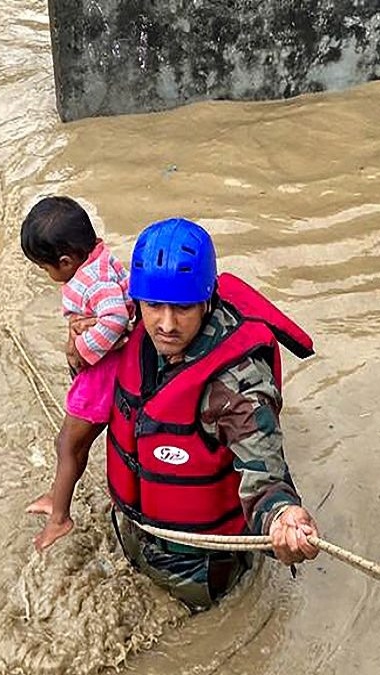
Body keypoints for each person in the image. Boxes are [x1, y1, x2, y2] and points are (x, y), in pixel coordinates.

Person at [103, 217, 321, 612]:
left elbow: (266, 476)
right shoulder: (135, 325)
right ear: (138, 300)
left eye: (183, 308)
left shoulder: (238, 385)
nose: (166, 325)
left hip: (195, 569)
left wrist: (283, 519)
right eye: (154, 306)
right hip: (132, 527)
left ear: (206, 300)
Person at [19, 195, 132, 552]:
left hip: (101, 377)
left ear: (66, 262)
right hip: (111, 369)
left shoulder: (92, 280)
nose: (48, 275)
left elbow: (115, 319)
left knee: (68, 444)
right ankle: (57, 494)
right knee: (71, 444)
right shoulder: (101, 259)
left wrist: (82, 352)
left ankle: (59, 517)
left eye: (46, 268)